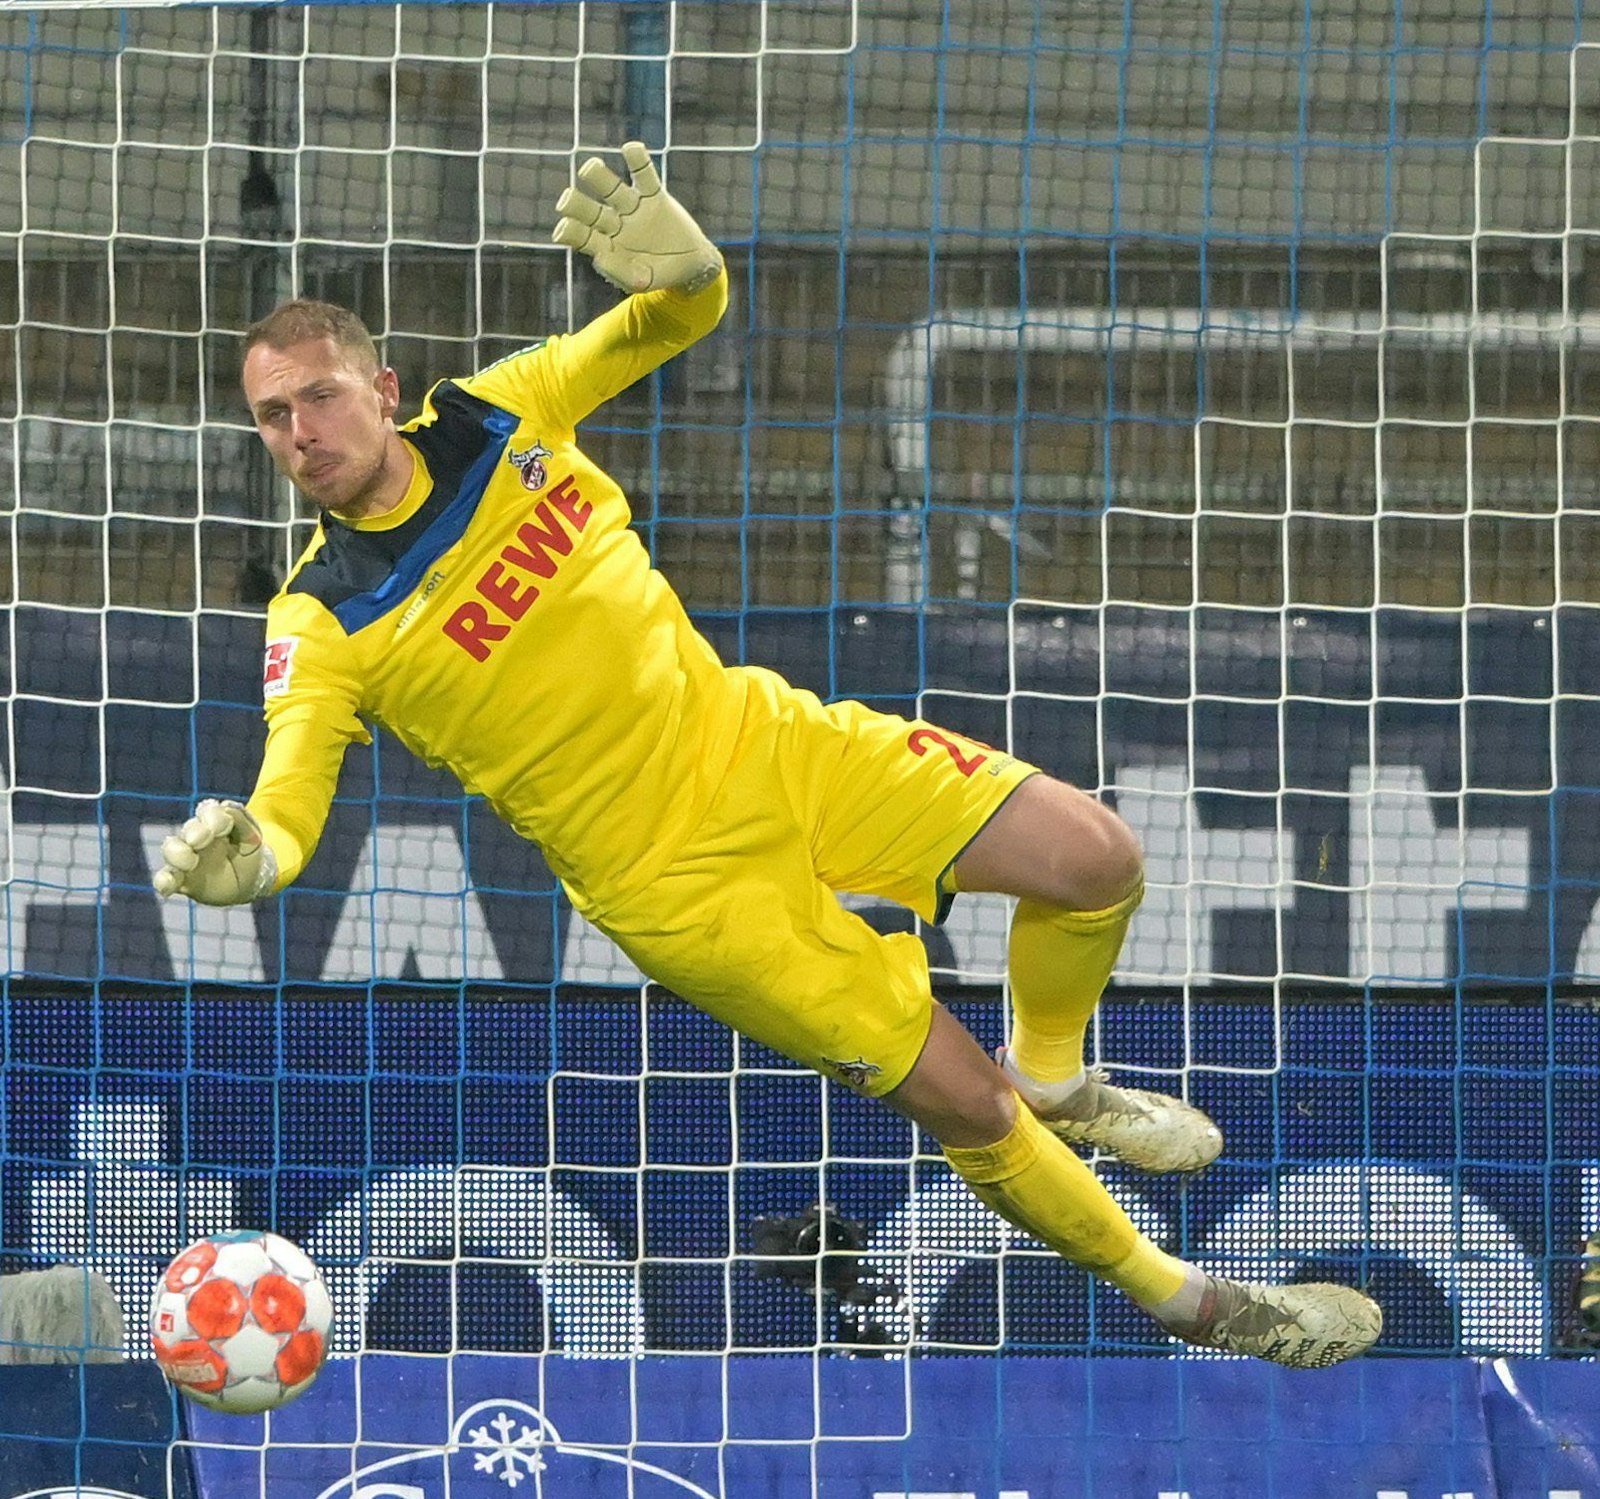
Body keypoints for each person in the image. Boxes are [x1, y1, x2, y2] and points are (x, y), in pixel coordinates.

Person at [154, 142, 1381, 1368]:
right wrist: (250, 863)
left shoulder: (499, 411)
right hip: (678, 884)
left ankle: (1061, 1073)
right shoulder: (321, 618)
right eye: (270, 415)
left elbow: (673, 314)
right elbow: (289, 802)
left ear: (383, 384)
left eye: (318, 395)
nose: (298, 431)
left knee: (1094, 855)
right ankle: (1207, 1307)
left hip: (771, 740)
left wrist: (688, 272)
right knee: (962, 1100)